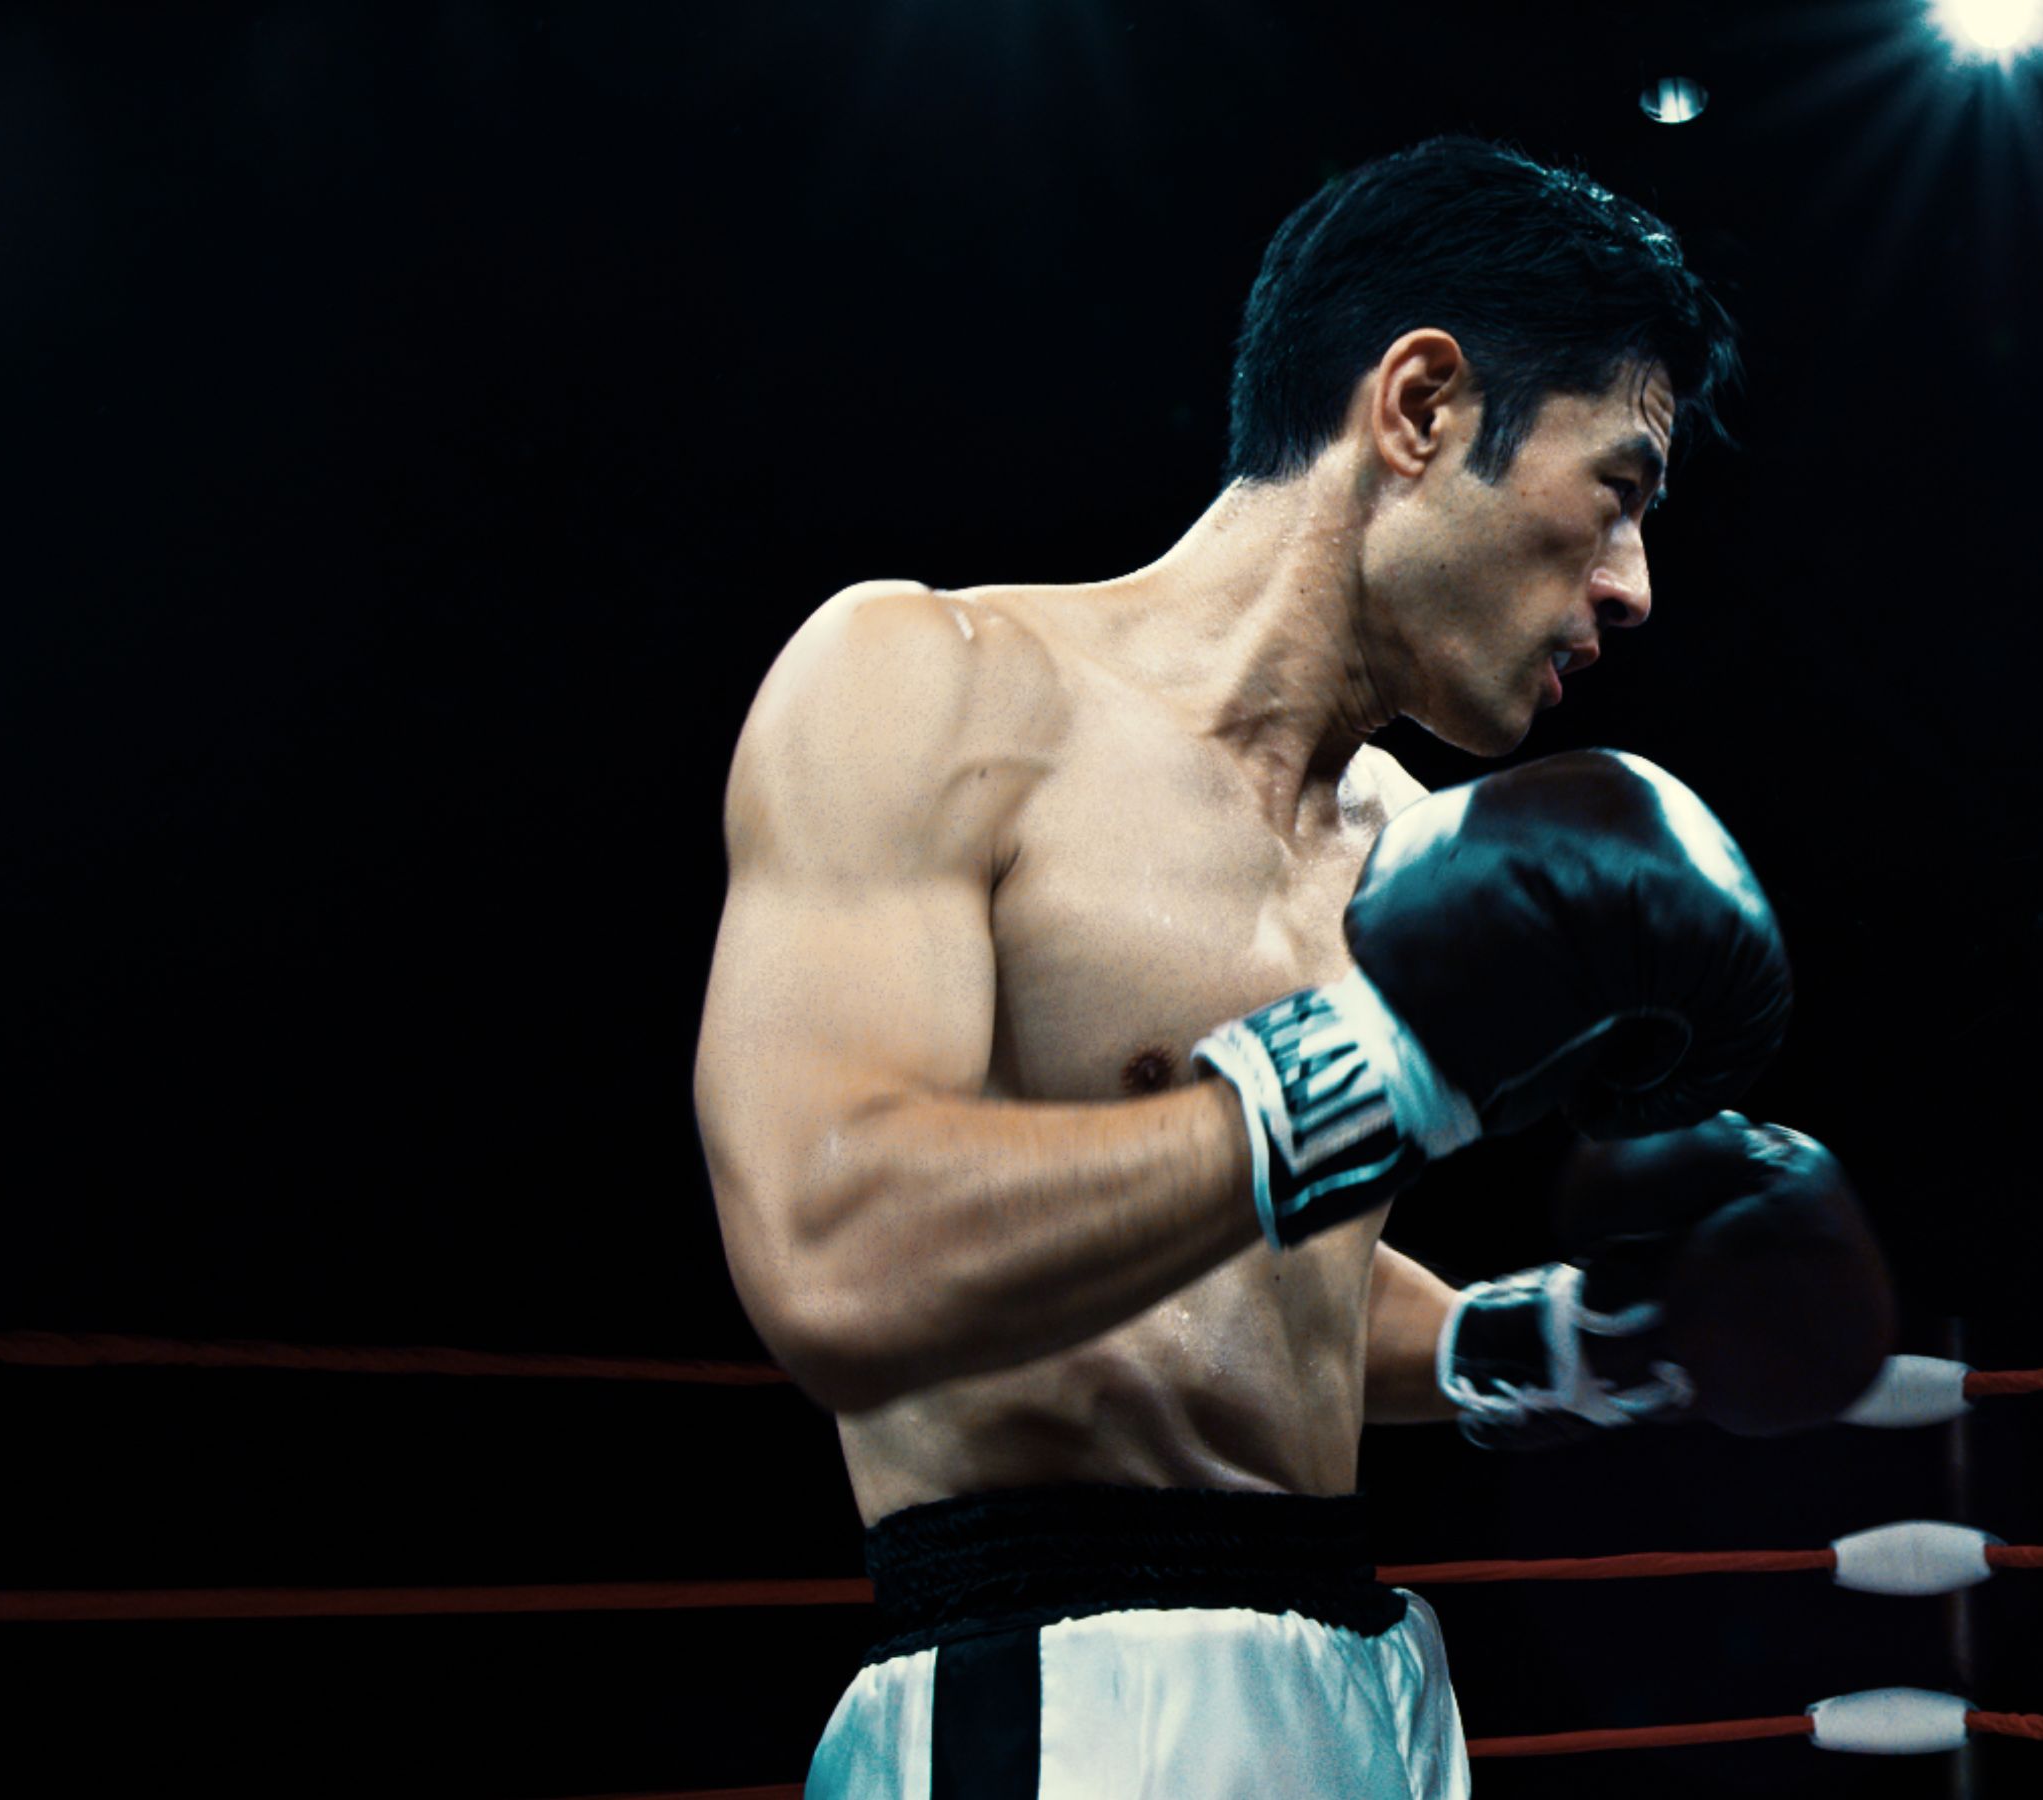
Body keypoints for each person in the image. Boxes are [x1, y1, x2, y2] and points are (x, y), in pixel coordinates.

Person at [691, 138, 1893, 1799]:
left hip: (1361, 1678)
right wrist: (1362, 1076)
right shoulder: (935, 684)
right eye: (1617, 491)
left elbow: (1249, 1303)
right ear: (1420, 408)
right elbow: (837, 1260)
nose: (1631, 586)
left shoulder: (1403, 838)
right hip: (1056, 1692)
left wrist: (1543, 1342)